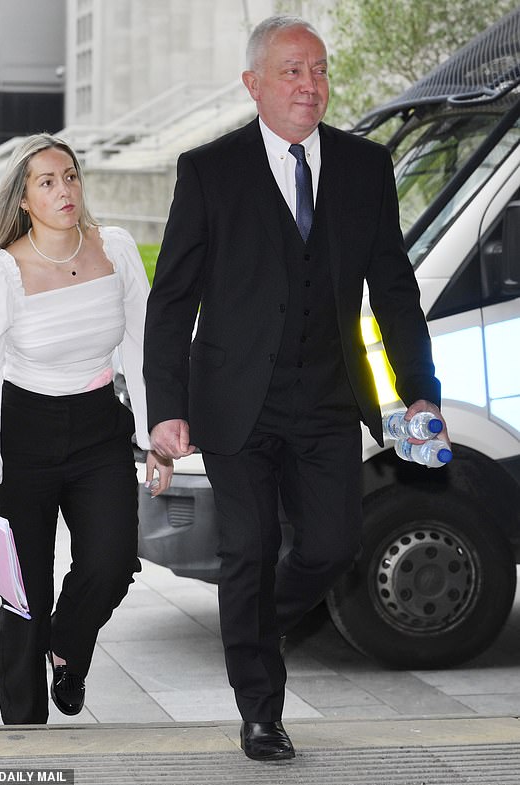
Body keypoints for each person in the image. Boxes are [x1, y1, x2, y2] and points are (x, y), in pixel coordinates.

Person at [143, 16, 449, 761]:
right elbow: (172, 298)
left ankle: (249, 625)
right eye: (291, 71)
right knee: (246, 547)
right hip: (235, 402)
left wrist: (419, 391)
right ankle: (260, 709)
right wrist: (166, 407)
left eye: (318, 70)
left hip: (330, 398)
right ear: (254, 84)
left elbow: (396, 292)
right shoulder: (209, 171)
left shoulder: (365, 167)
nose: (309, 85)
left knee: (333, 544)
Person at [0, 133, 172, 725]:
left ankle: (68, 647)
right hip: (25, 434)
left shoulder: (115, 249)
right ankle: (25, 728)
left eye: (69, 176)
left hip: (99, 428)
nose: (64, 190)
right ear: (24, 199)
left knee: (114, 560)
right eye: (47, 182)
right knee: (26, 592)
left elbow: (142, 345)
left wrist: (153, 437)